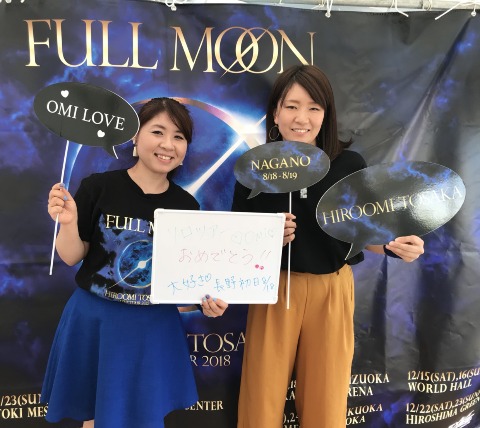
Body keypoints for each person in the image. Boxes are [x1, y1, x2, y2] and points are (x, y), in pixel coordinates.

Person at [232, 65, 425, 428]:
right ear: (275, 112)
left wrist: (395, 244)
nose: (301, 118)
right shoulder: (254, 168)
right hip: (273, 289)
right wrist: (264, 238)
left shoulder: (348, 165)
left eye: (313, 108)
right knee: (261, 395)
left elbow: (364, 232)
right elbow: (235, 240)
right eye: (291, 106)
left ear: (326, 114)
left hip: (332, 290)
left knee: (327, 397)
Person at [42, 97, 228, 428]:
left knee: (145, 415)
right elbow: (71, 256)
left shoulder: (186, 206)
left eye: (179, 136)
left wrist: (206, 302)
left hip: (153, 328)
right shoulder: (99, 187)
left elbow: (183, 281)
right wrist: (68, 223)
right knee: (96, 415)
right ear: (135, 136)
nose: (167, 144)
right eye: (157, 131)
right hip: (96, 320)